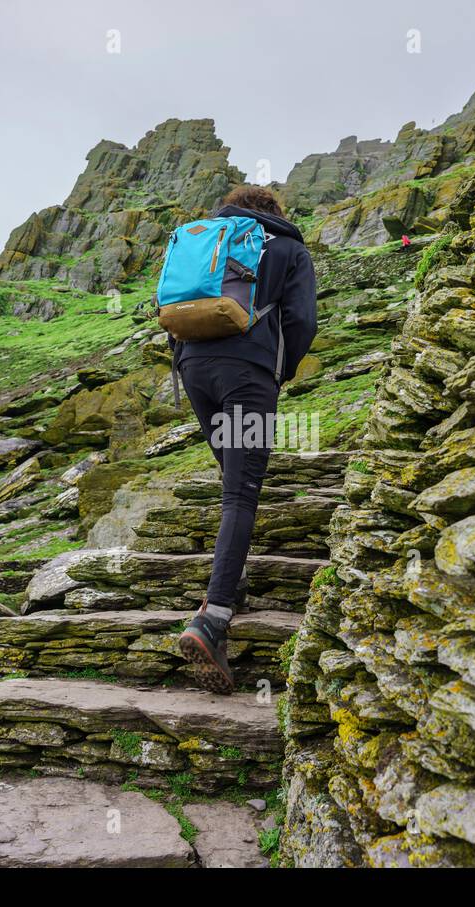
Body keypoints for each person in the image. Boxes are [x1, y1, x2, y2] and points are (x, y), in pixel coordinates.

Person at [172, 185, 317, 694]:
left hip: (194, 369)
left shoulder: (208, 239)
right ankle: (213, 619)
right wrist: (280, 370)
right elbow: (301, 320)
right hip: (248, 375)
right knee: (241, 490)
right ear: (276, 211)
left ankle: (231, 582)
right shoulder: (287, 246)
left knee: (231, 475)